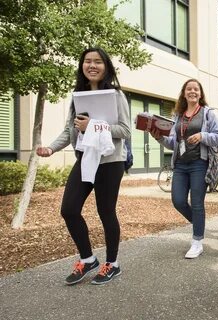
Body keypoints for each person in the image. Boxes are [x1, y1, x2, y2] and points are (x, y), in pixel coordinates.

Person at [36, 48, 130, 285]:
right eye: (87, 61)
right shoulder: (79, 95)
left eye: (98, 61)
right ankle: (88, 259)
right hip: (85, 159)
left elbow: (125, 130)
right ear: (82, 66)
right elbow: (71, 130)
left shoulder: (116, 95)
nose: (92, 65)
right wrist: (52, 148)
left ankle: (112, 263)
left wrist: (95, 125)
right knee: (69, 209)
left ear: (106, 66)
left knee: (106, 212)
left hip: (110, 161)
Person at [149, 79, 218, 259]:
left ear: (200, 93)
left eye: (196, 89)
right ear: (184, 93)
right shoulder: (178, 116)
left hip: (199, 163)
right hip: (181, 164)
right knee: (178, 200)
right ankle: (198, 222)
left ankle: (197, 241)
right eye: (189, 89)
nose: (192, 92)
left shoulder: (207, 114)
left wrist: (202, 135)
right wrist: (158, 137)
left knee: (197, 203)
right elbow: (173, 143)